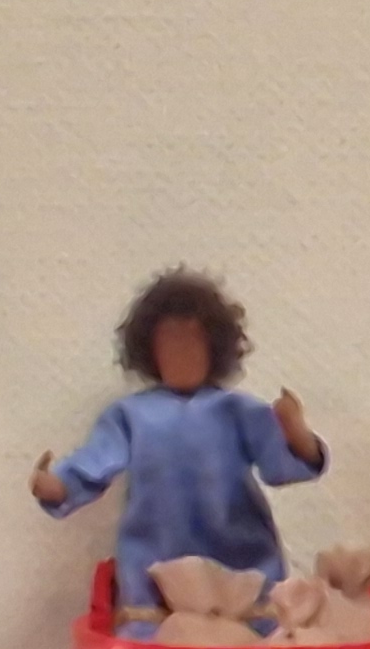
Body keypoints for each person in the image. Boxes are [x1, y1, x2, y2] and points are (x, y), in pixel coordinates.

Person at [29, 264, 326, 621]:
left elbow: (281, 464)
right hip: (154, 571)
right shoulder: (131, 416)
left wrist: (298, 436)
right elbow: (95, 461)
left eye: (191, 345)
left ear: (215, 349)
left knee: (250, 633)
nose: (181, 356)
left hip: (240, 563)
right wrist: (59, 486)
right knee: (153, 639)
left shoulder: (238, 411)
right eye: (169, 346)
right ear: (149, 352)